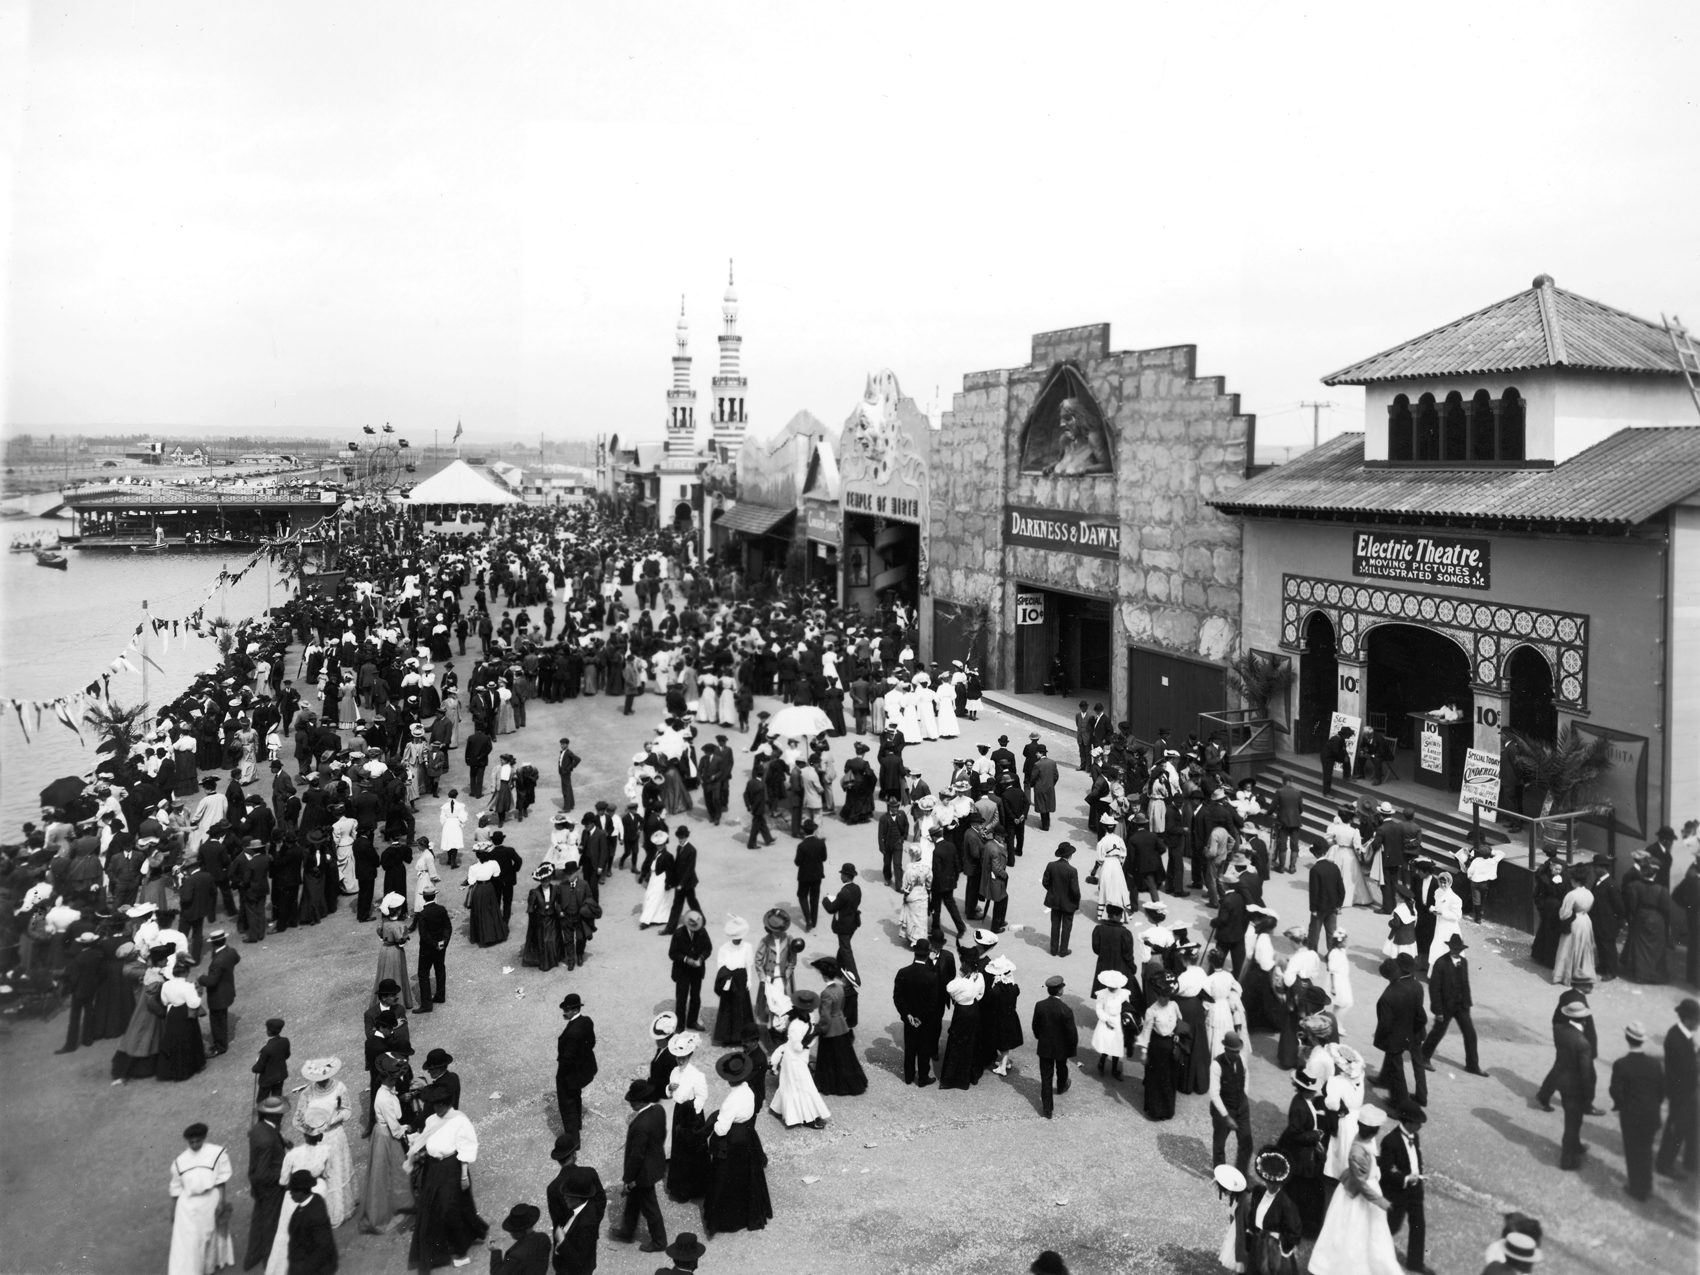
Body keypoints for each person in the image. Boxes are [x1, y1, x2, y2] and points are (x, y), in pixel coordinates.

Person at [1308, 1105, 1401, 1275]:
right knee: (1351, 1231)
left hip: (1363, 1185)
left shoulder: (1363, 1139)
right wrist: (1382, 1202)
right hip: (1356, 1194)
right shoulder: (1357, 1151)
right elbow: (1362, 1185)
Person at [405, 1092, 488, 1273]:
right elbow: (429, 1140)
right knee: (430, 1208)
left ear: (448, 1104)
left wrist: (464, 1176)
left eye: (441, 1105)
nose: (438, 1108)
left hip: (452, 1167)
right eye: (435, 1105)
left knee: (450, 1209)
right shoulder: (432, 1120)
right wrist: (419, 1152)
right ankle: (436, 1251)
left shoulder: (459, 1120)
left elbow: (465, 1147)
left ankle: (462, 1252)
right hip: (433, 1167)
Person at [702, 1052, 773, 1237]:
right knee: (746, 1175)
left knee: (726, 1178)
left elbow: (721, 1130)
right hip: (747, 1135)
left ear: (728, 1079)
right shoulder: (748, 1090)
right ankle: (748, 1212)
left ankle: (727, 1219)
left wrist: (714, 1120)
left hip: (733, 1138)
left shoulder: (731, 1101)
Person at [292, 1059, 354, 1225]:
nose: (322, 1082)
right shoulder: (307, 1093)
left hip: (336, 1136)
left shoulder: (340, 1088)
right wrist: (311, 1129)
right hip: (319, 1139)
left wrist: (331, 1120)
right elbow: (298, 1118)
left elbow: (346, 1110)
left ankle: (341, 1210)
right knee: (323, 1173)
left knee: (337, 1171)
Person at [610, 1080, 669, 1253]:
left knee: (650, 1208)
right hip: (655, 1162)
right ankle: (627, 1231)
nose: (630, 1103)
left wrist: (628, 1179)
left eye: (633, 1100)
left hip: (643, 1173)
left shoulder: (640, 1126)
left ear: (642, 1101)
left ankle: (659, 1242)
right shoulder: (658, 1110)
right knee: (633, 1201)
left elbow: (636, 1157)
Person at [168, 1122, 235, 1275]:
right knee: (190, 1241)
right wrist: (173, 1211)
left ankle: (209, 1267)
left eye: (198, 1140)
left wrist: (221, 1201)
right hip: (187, 1205)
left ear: (204, 1138)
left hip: (210, 1199)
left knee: (210, 1235)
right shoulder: (180, 1161)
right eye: (191, 1142)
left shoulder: (217, 1153)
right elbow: (176, 1188)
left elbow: (221, 1180)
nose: (195, 1144)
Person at [356, 1058, 413, 1234]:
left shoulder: (387, 1092)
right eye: (393, 1079)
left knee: (387, 1173)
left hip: (383, 1133)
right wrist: (407, 1129)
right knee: (393, 1172)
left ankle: (395, 1204)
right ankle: (391, 1209)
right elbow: (394, 1127)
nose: (395, 1081)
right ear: (387, 1079)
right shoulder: (384, 1098)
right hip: (387, 1136)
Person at [1610, 1020, 1665, 1200]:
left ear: (1627, 1038)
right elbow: (1661, 1091)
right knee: (1646, 1150)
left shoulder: (1621, 1064)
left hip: (1631, 1115)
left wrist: (1621, 1105)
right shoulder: (1654, 1064)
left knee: (1633, 1151)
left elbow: (1615, 1091)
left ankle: (1637, 1189)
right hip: (1651, 1114)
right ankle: (1646, 1184)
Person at [1379, 1099, 1430, 1275]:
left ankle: (1415, 1263)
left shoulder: (1414, 1136)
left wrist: (1418, 1178)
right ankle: (1375, 1256)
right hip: (1397, 1192)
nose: (1420, 1127)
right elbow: (1388, 1169)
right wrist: (1405, 1178)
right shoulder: (1389, 1141)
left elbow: (1416, 1158)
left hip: (1415, 1189)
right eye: (1417, 1123)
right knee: (1391, 1227)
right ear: (1407, 1122)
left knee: (1418, 1225)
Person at [1423, 934, 1485, 1075]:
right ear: (1449, 948)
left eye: (1458, 949)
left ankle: (1472, 1065)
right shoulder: (1440, 963)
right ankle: (1424, 1057)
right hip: (1445, 1007)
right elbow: (1434, 989)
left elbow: (1465, 984)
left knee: (1470, 1034)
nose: (1456, 952)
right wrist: (1438, 1011)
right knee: (1438, 1032)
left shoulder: (1463, 962)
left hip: (1461, 1006)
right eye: (1453, 949)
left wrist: (1467, 1005)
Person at [770, 989, 832, 1125]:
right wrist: (814, 1034)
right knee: (804, 1085)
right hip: (794, 1058)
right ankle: (808, 1118)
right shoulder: (795, 1025)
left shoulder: (809, 1017)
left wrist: (814, 1033)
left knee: (790, 1083)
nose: (808, 1011)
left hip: (802, 1056)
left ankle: (777, 1108)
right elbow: (798, 1046)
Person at [664, 1032, 711, 1203]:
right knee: (680, 1150)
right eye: (678, 1057)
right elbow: (670, 1094)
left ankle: (696, 1188)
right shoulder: (675, 1072)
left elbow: (702, 1096)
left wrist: (691, 1112)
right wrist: (669, 1088)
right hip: (679, 1113)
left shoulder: (697, 1075)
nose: (680, 1061)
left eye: (683, 1057)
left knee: (693, 1151)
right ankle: (680, 1189)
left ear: (689, 1055)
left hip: (692, 1116)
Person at [545, 1147, 606, 1275]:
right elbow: (601, 1200)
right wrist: (595, 1222)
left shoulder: (552, 1188)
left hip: (572, 1253)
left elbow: (556, 1219)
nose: (565, 1198)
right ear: (574, 1154)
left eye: (568, 1196)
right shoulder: (590, 1172)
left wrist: (561, 1241)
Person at [1657, 997, 1700, 1180]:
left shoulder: (1680, 1035)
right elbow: (1689, 1070)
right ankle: (1664, 1165)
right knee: (1676, 1129)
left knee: (1692, 1126)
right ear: (1688, 1019)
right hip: (1682, 1093)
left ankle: (1691, 1161)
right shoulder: (1677, 1040)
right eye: (1697, 1020)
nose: (1698, 1024)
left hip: (1687, 1091)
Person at [1553, 1000, 1597, 1170]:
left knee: (1571, 1120)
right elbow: (1586, 1074)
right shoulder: (1583, 1044)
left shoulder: (1559, 1030)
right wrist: (1588, 1097)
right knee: (1572, 1124)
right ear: (1583, 1019)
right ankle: (1567, 1159)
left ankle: (1575, 1146)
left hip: (1562, 1082)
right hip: (1575, 1087)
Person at [1244, 1149, 1302, 1275]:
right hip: (1257, 1244)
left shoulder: (1286, 1204)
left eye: (1274, 1184)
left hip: (1272, 1251)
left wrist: (1279, 1238)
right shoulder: (1258, 1192)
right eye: (1269, 1183)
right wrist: (1250, 1232)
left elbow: (1294, 1232)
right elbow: (1253, 1214)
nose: (1270, 1186)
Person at [893, 940, 942, 1087]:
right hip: (924, 1021)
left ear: (915, 954)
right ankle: (922, 1078)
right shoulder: (932, 976)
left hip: (909, 1020)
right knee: (924, 1049)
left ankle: (908, 1077)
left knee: (910, 1047)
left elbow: (898, 997)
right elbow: (933, 1003)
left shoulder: (903, 972)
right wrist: (920, 1017)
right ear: (927, 955)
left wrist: (908, 1015)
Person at [1030, 973, 1078, 1118]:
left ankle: (1047, 1109)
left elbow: (1035, 1026)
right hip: (1061, 1047)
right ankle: (1062, 1085)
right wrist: (1072, 1047)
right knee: (1061, 1067)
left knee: (1046, 1077)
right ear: (1060, 991)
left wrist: (1040, 1037)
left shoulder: (1040, 1005)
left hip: (1044, 1047)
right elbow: (1071, 1033)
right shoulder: (1066, 1009)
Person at [555, 993, 597, 1155]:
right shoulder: (586, 1021)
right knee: (576, 1097)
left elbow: (566, 1059)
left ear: (573, 1010)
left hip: (570, 1074)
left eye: (566, 1010)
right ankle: (578, 1124)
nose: (564, 1012)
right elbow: (591, 1042)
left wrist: (561, 1075)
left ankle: (574, 1141)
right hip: (583, 1070)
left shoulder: (572, 1033)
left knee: (567, 1106)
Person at [1210, 1031, 1254, 1175]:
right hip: (1223, 1111)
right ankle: (1221, 1176)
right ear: (1226, 1049)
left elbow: (1246, 1076)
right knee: (1219, 1145)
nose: (1236, 1054)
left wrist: (1244, 1095)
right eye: (1233, 1052)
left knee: (1246, 1143)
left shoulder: (1241, 1059)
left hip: (1241, 1108)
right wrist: (1226, 1116)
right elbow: (1214, 1094)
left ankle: (1241, 1175)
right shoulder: (1216, 1065)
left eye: (1238, 1051)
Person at [282, 1170, 337, 1275]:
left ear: (301, 1192)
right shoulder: (315, 1199)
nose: (290, 1194)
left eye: (292, 1191)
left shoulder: (314, 1215)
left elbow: (321, 1248)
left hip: (312, 1268)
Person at [197, 930, 240, 1057]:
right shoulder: (231, 951)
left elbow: (211, 981)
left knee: (217, 1022)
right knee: (221, 1018)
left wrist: (201, 978)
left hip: (218, 996)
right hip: (227, 990)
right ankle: (221, 1043)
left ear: (213, 944)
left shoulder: (217, 961)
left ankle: (220, 1047)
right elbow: (237, 959)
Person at [668, 910, 711, 1031]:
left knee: (695, 997)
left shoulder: (702, 931)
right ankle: (680, 1026)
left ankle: (692, 1021)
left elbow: (708, 948)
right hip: (682, 971)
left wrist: (701, 959)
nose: (694, 930)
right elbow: (672, 953)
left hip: (697, 971)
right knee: (681, 999)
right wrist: (686, 959)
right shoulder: (678, 933)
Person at [412, 886, 452, 1011]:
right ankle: (440, 995)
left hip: (427, 948)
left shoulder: (422, 914)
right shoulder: (442, 909)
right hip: (441, 946)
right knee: (440, 968)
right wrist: (443, 942)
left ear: (423, 897)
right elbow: (448, 927)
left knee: (423, 973)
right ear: (434, 896)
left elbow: (424, 935)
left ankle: (426, 1004)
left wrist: (434, 943)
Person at [821, 863, 863, 977]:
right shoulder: (857, 888)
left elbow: (831, 908)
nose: (841, 877)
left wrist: (825, 899)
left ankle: (854, 977)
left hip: (844, 925)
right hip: (853, 922)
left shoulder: (843, 893)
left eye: (842, 874)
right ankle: (840, 970)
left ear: (845, 876)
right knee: (843, 946)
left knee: (846, 949)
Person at [488, 1203, 550, 1275]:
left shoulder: (515, 1257)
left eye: (512, 1230)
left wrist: (495, 1252)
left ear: (521, 1232)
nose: (510, 1232)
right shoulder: (544, 1237)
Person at [794, 821, 827, 930]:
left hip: (804, 876)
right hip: (817, 874)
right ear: (814, 830)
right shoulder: (821, 843)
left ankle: (808, 919)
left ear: (804, 830)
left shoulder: (802, 846)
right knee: (815, 897)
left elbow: (798, 862)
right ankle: (814, 921)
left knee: (802, 896)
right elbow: (824, 858)